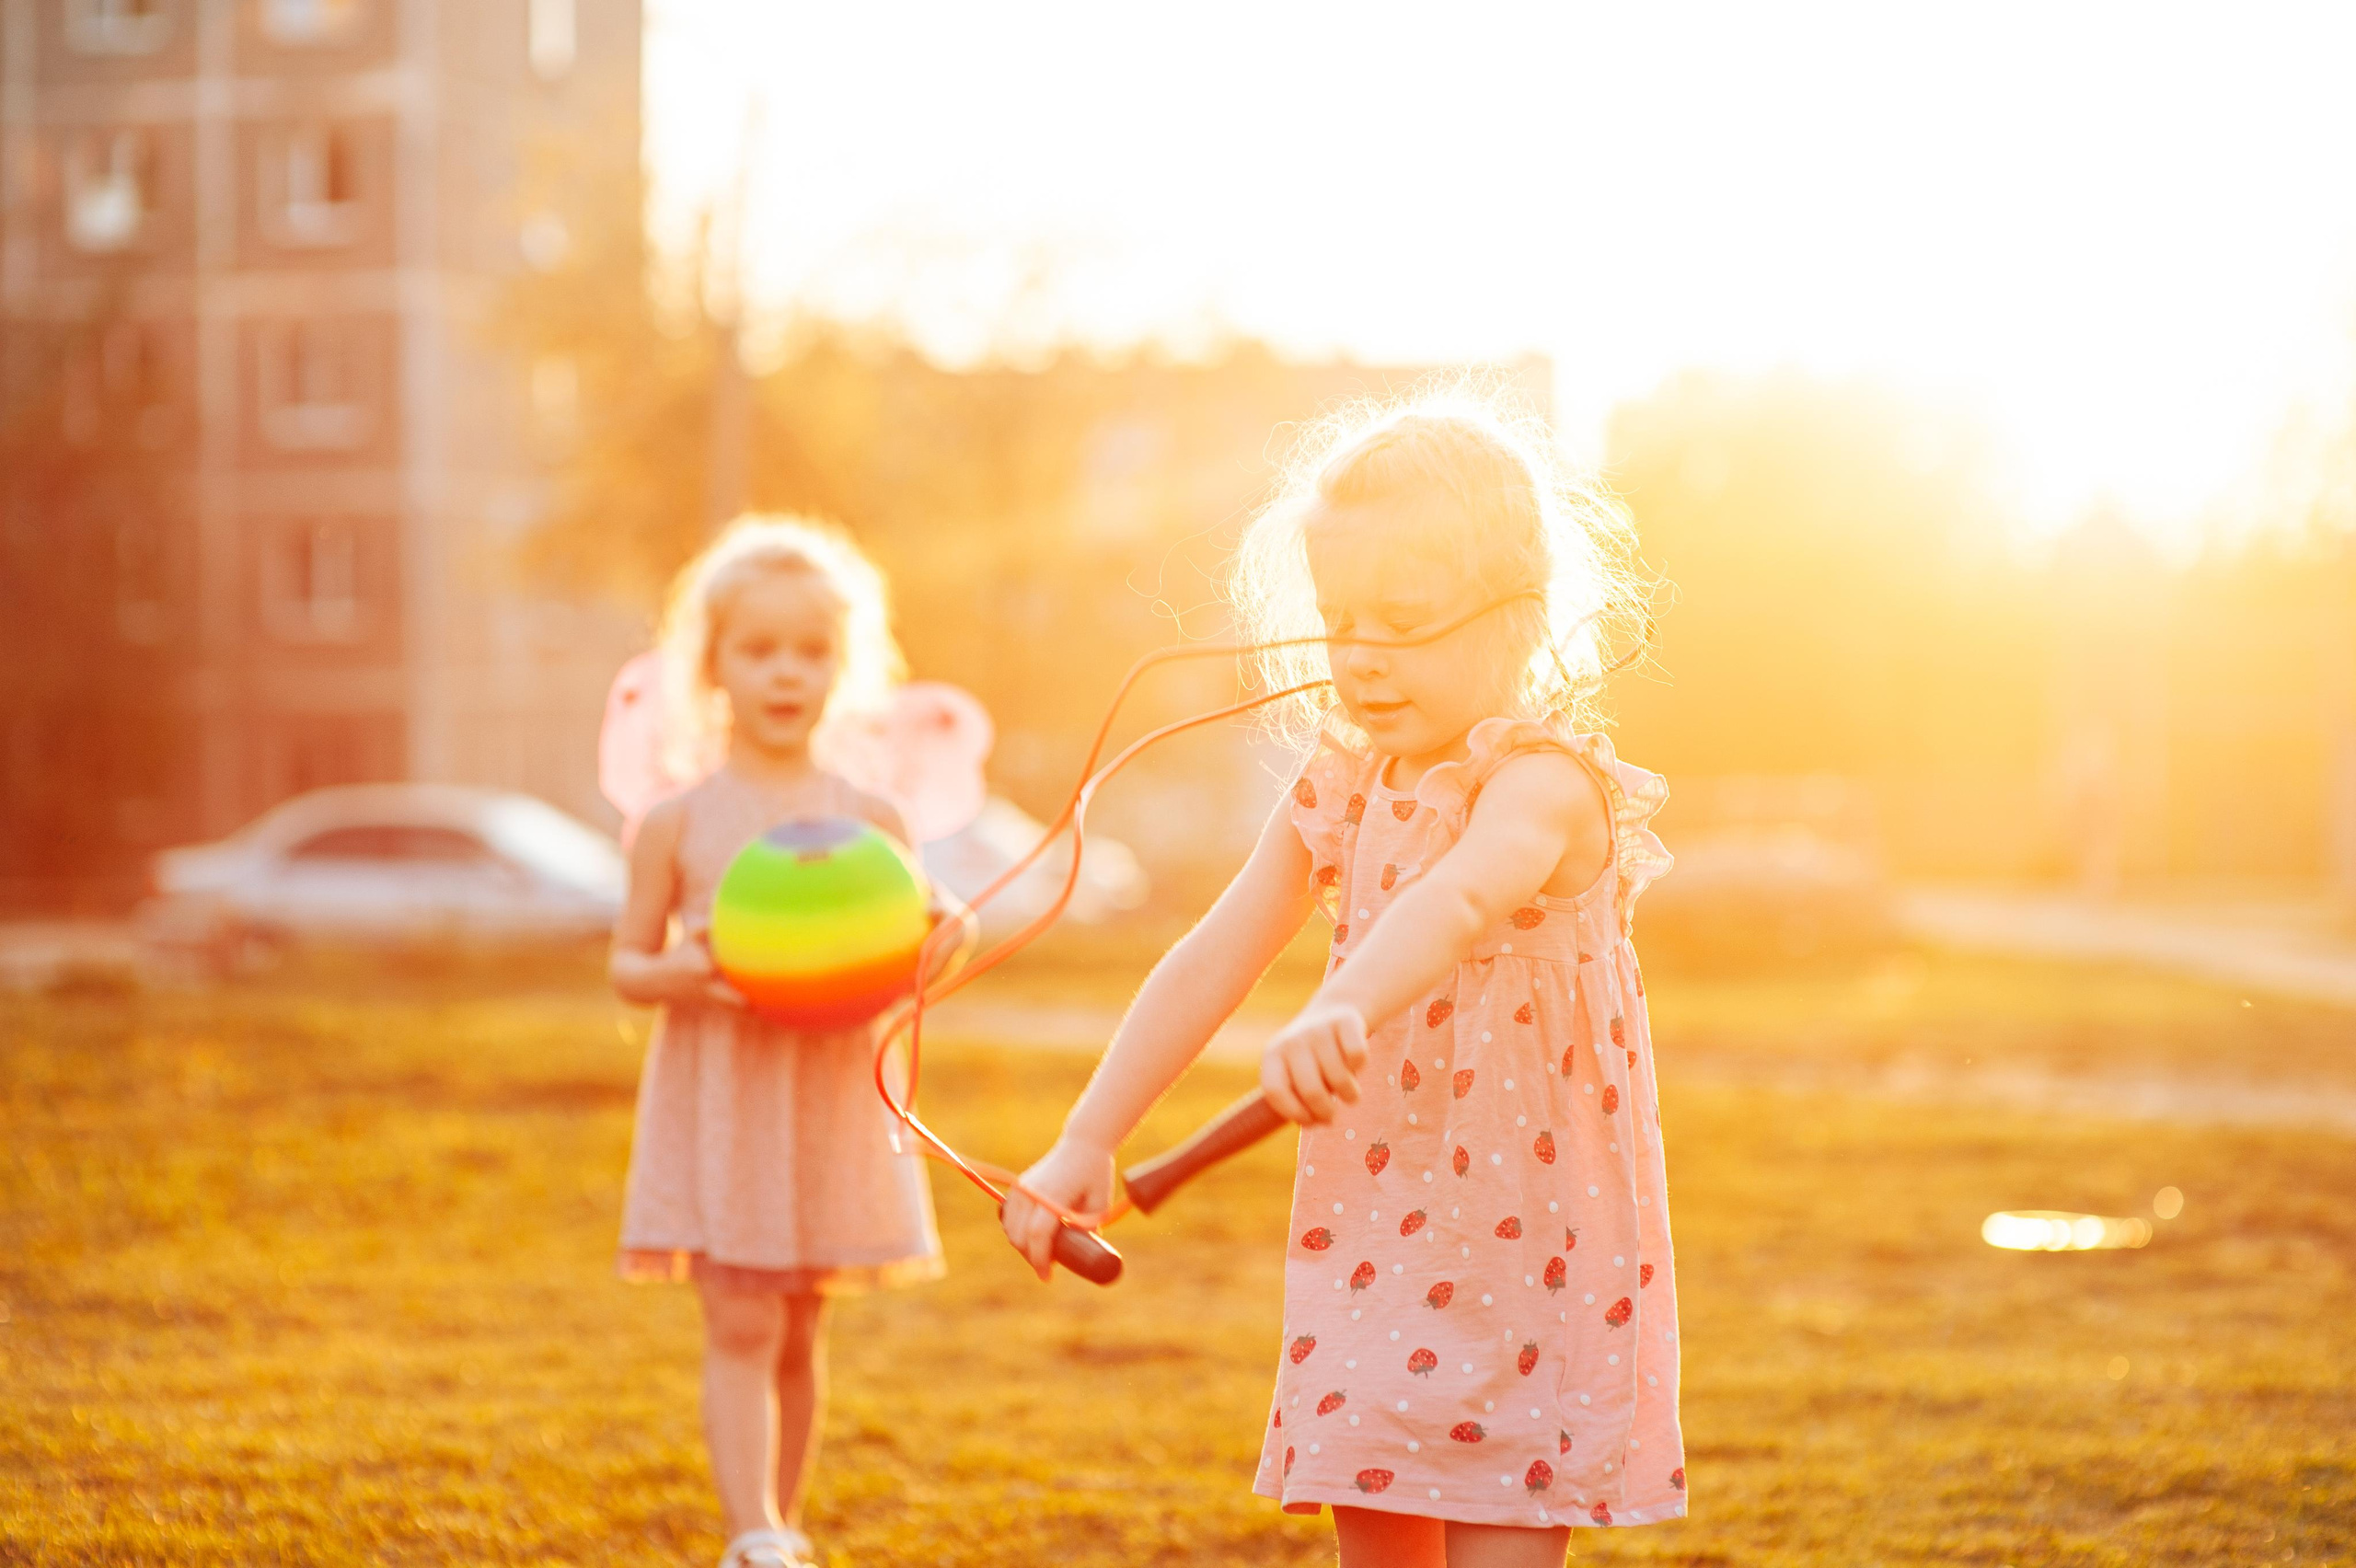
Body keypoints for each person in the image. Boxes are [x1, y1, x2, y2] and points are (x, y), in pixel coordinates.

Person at [1004, 390, 1681, 1567]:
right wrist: (1086, 1136)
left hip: (1534, 1254)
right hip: (1377, 1236)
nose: (1360, 655)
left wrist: (1343, 1003)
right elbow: (1212, 954)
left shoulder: (1546, 783)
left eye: (1402, 622)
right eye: (1337, 621)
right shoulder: (1344, 781)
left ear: (1518, 612)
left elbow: (1458, 899)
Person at [611, 515, 945, 1568]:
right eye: (759, 650)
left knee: (799, 1325)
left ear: (843, 668)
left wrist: (948, 937)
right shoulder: (678, 822)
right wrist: (685, 973)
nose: (785, 672)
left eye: (810, 650)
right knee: (742, 1321)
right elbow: (627, 966)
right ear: (712, 666)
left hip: (827, 1092)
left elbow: (915, 963)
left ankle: (779, 1533)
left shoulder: (874, 819)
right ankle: (749, 1530)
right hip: (726, 1096)